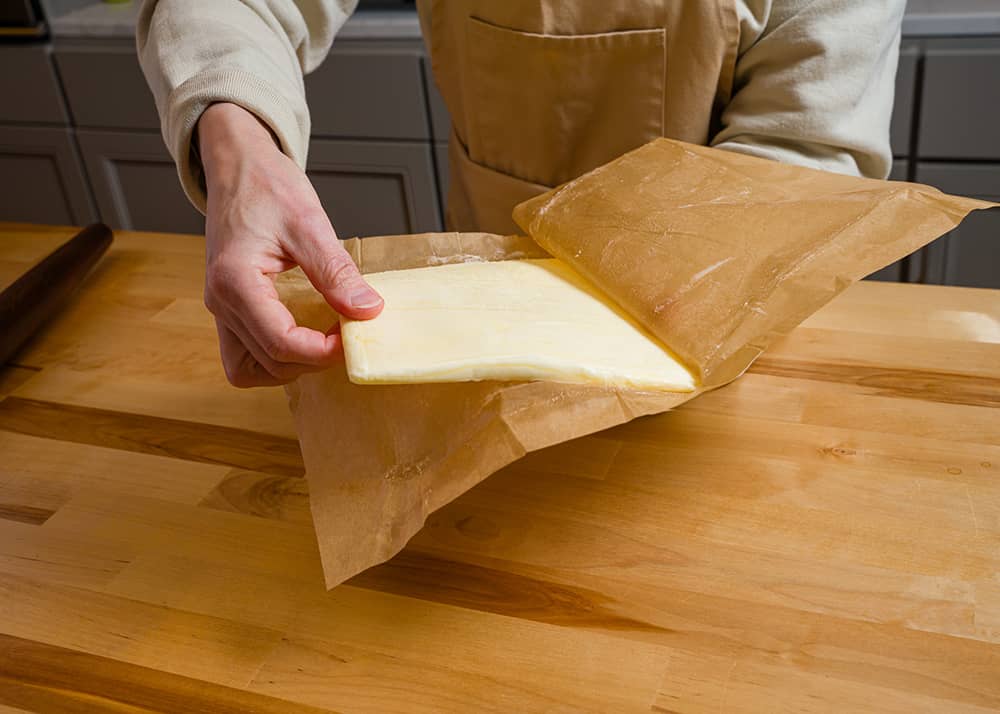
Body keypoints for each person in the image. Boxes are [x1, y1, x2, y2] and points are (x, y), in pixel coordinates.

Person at [137, 0, 905, 388]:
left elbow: (809, 143)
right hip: (475, 338)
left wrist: (694, 279)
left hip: (723, 332)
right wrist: (237, 144)